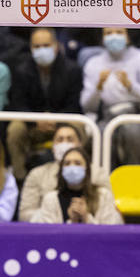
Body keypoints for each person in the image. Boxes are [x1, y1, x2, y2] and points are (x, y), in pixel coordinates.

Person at [7, 28, 83, 180]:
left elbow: (74, 105)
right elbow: (17, 104)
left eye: (46, 45)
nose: (42, 50)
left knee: (80, 127)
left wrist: (56, 119)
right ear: (30, 48)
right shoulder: (21, 70)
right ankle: (20, 178)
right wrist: (36, 119)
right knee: (14, 129)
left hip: (63, 122)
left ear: (56, 46)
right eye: (37, 46)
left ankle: (78, 172)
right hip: (33, 125)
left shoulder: (72, 69)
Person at [81, 27, 140, 166]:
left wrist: (132, 87)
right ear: (102, 38)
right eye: (108, 33)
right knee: (100, 132)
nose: (114, 36)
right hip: (110, 115)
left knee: (132, 131)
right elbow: (86, 106)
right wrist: (98, 88)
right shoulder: (93, 63)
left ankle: (134, 181)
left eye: (119, 32)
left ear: (128, 37)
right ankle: (103, 183)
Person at [31, 145, 123, 224]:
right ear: (61, 170)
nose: (72, 167)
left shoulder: (103, 195)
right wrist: (72, 222)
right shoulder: (50, 199)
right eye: (67, 163)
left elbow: (111, 232)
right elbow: (48, 235)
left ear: (87, 169)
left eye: (77, 163)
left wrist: (86, 219)